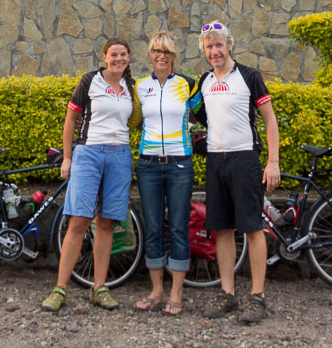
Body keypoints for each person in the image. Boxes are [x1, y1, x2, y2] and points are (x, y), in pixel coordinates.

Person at [191, 21, 281, 324]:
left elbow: (269, 120)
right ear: (204, 51)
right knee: (222, 229)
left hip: (245, 158)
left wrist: (273, 162)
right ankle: (227, 294)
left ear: (229, 45)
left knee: (253, 228)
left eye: (219, 45)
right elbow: (198, 116)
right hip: (216, 160)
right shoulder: (203, 80)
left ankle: (258, 297)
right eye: (209, 46)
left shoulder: (249, 76)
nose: (214, 51)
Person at [42, 37, 140, 312]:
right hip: (89, 154)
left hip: (120, 156)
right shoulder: (90, 80)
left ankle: (99, 288)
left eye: (123, 54)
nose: (118, 59)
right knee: (79, 221)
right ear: (105, 55)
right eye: (113, 54)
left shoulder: (131, 88)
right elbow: (71, 119)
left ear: (129, 57)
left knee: (106, 223)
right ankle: (59, 289)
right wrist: (68, 157)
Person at [129, 31, 197, 316]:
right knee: (154, 227)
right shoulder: (140, 87)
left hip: (180, 162)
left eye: (166, 52)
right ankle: (156, 290)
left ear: (174, 56)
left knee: (179, 227)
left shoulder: (187, 85)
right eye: (156, 51)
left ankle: (177, 292)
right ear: (150, 54)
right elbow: (132, 121)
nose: (161, 56)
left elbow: (201, 116)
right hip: (148, 164)